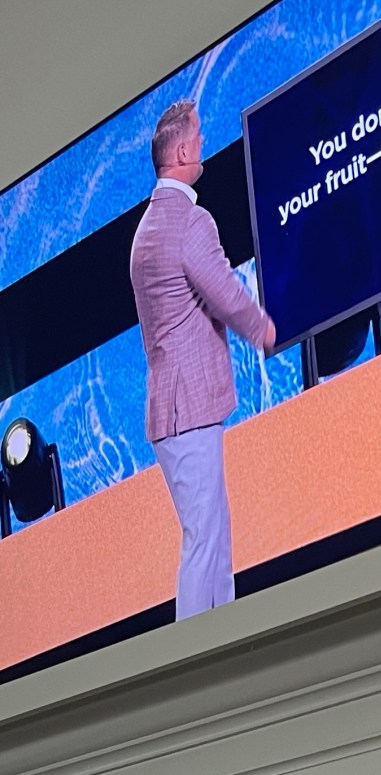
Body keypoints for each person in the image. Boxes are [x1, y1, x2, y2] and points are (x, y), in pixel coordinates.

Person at [130, 99, 275, 620]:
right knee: (204, 540)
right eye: (198, 137)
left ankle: (224, 641)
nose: (204, 144)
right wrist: (263, 329)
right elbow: (225, 294)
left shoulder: (146, 230)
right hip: (188, 408)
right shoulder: (190, 221)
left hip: (171, 411)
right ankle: (195, 654)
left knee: (212, 533)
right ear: (182, 153)